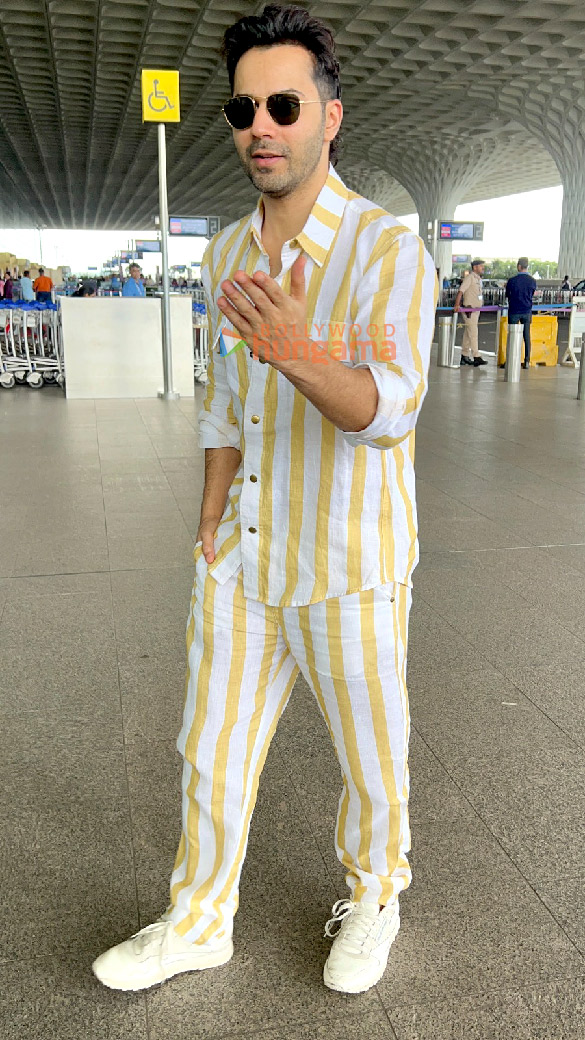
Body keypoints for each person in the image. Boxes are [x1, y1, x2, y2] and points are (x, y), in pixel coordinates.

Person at [92, 3, 436, 999]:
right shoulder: (224, 256)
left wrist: (299, 351)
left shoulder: (386, 253)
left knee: (372, 756)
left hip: (352, 561)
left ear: (332, 116)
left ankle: (376, 892)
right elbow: (219, 401)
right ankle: (197, 919)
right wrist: (207, 519)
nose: (261, 125)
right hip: (244, 549)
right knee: (209, 747)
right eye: (244, 107)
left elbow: (389, 413)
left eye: (284, 102)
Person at [454, 258, 487, 366]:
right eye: (481, 266)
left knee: (468, 334)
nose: (483, 268)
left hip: (476, 310)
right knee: (473, 333)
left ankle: (464, 356)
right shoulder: (470, 278)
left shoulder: (478, 279)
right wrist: (457, 305)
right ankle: (476, 356)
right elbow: (461, 291)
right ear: (475, 267)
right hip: (469, 310)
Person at [505, 257, 537, 369]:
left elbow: (507, 295)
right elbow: (532, 293)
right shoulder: (532, 280)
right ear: (526, 266)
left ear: (519, 266)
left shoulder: (512, 281)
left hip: (514, 310)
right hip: (527, 311)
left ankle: (510, 360)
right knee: (526, 336)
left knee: (512, 336)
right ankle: (527, 361)